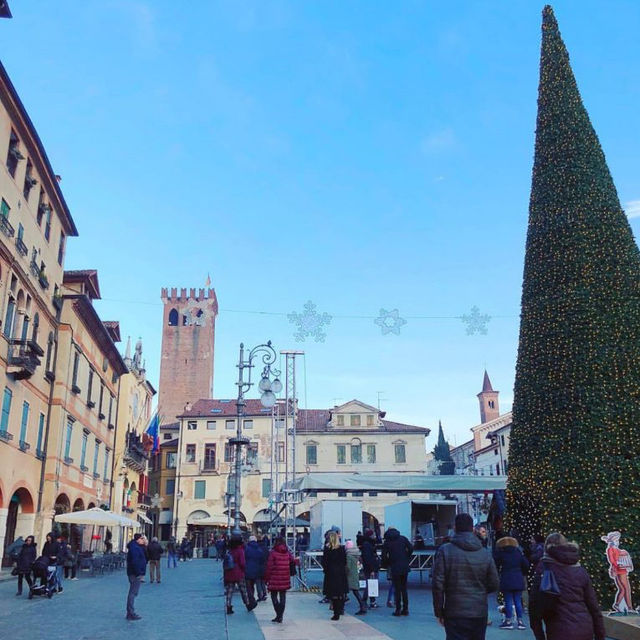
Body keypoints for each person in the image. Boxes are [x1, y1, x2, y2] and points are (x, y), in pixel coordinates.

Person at [432, 513, 499, 640]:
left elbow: (438, 584)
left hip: (454, 611)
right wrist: (479, 591)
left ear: (455, 528)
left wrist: (439, 611)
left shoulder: (445, 551)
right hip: (478, 611)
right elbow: (494, 583)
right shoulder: (484, 553)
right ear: (473, 529)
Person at [530, 533, 605, 640]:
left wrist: (539, 635)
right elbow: (593, 606)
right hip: (584, 628)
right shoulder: (579, 569)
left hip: (558, 629)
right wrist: (600, 634)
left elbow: (534, 605)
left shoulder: (544, 568)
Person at [494, 535, 529, 630]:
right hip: (518, 578)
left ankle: (508, 621)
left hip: (506, 578)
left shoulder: (501, 553)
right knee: (518, 600)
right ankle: (520, 622)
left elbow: (495, 565)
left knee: (508, 600)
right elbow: (526, 564)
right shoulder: (518, 553)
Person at [381, 526, 413, 616]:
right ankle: (406, 609)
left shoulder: (387, 542)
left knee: (397, 589)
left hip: (394, 567)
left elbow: (384, 556)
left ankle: (398, 609)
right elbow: (411, 548)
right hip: (404, 566)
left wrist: (388, 563)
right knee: (404, 589)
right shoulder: (403, 538)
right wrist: (406, 557)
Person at [265, 536, 298, 623]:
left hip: (274, 578)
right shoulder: (287, 552)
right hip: (285, 578)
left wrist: (266, 578)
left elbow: (269, 567)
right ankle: (280, 616)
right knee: (283, 596)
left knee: (273, 596)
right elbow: (293, 561)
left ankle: (278, 614)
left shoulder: (273, 553)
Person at [224, 536, 256, 614]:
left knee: (230, 591)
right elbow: (242, 563)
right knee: (243, 590)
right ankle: (248, 604)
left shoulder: (229, 551)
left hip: (229, 573)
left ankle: (228, 606)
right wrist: (243, 569)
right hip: (238, 573)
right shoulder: (240, 551)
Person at [126, 534, 147, 621]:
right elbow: (135, 561)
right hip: (135, 573)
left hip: (134, 572)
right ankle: (131, 612)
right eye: (142, 539)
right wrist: (139, 572)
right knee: (133, 593)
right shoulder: (135, 548)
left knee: (133, 592)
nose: (143, 540)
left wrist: (145, 545)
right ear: (138, 539)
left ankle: (129, 612)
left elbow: (145, 556)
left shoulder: (136, 546)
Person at [345, 540, 367, 615]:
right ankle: (363, 606)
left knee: (348, 591)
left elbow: (348, 567)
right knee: (355, 591)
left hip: (349, 576)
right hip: (355, 575)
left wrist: (344, 572)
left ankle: (362, 606)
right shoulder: (357, 555)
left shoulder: (348, 556)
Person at [360, 529, 380, 608]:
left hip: (369, 567)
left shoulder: (367, 544)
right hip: (370, 568)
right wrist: (372, 569)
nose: (374, 536)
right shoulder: (368, 545)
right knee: (370, 585)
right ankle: (367, 601)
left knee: (370, 585)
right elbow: (368, 558)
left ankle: (369, 600)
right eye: (373, 535)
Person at [245, 535, 266, 606]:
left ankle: (251, 599)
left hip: (248, 570)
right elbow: (262, 560)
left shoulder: (246, 549)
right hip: (257, 571)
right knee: (256, 584)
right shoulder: (259, 550)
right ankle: (258, 596)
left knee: (249, 586)